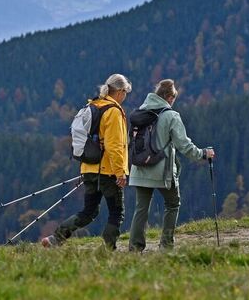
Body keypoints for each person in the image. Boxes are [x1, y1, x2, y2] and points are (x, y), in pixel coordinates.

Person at [41, 73, 130, 250]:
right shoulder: (113, 111)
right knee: (116, 211)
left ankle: (56, 238)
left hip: (88, 168)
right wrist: (120, 172)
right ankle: (109, 248)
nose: (125, 96)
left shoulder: (93, 105)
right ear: (120, 91)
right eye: (126, 92)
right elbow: (114, 145)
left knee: (89, 212)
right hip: (108, 171)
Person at [127, 79, 215, 252]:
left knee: (141, 209)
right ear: (169, 97)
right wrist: (202, 154)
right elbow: (184, 145)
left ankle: (135, 248)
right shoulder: (171, 116)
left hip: (139, 168)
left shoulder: (140, 112)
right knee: (173, 203)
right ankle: (166, 246)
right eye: (173, 98)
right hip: (162, 171)